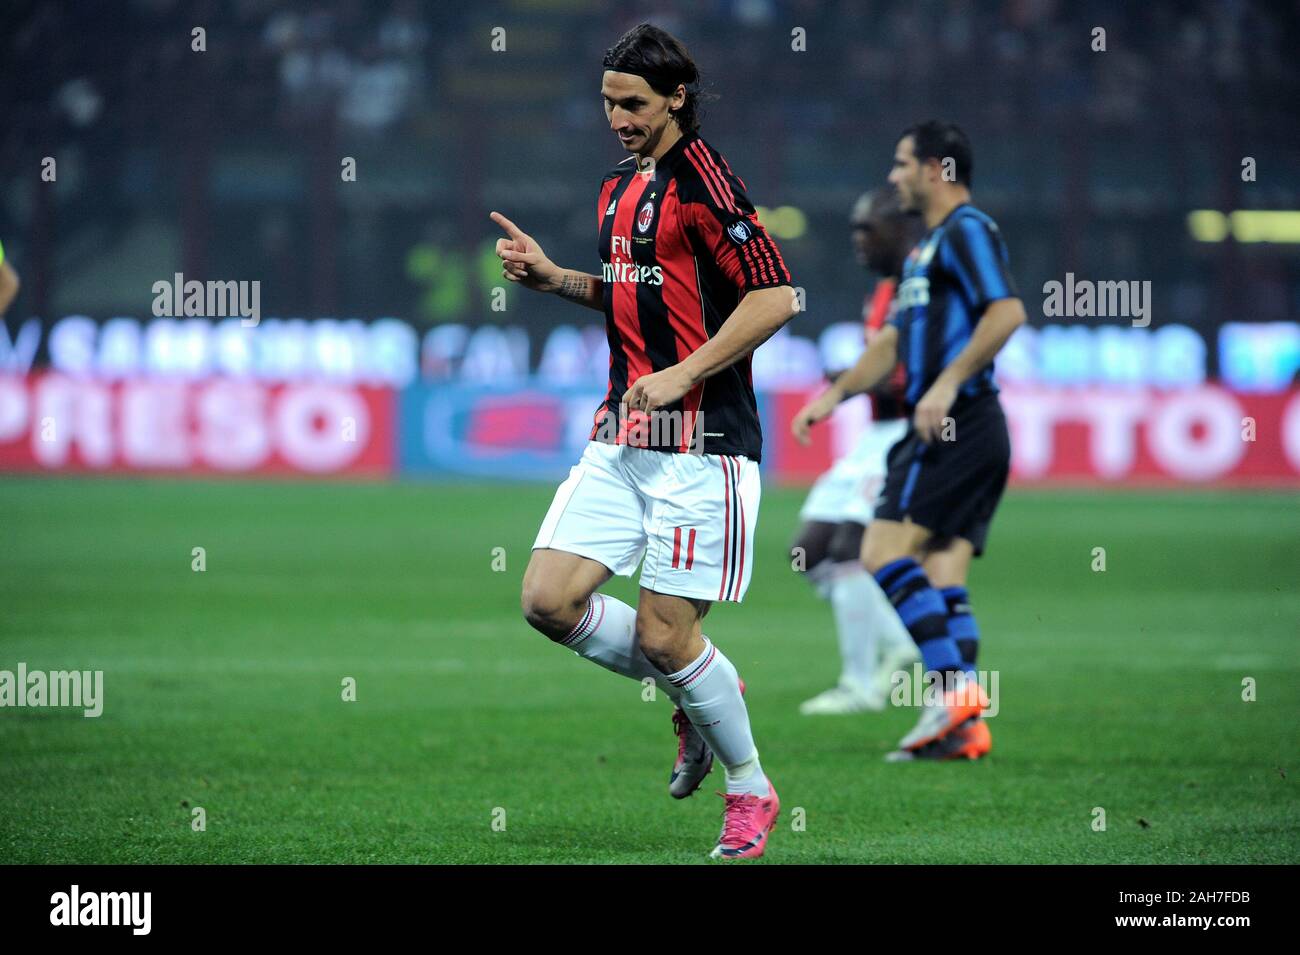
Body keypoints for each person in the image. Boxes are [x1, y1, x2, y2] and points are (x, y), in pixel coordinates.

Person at [493, 23, 798, 857]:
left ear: (677, 98)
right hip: (623, 437)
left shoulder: (708, 183)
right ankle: (703, 689)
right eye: (607, 103)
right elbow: (637, 299)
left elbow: (776, 298)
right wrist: (556, 280)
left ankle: (750, 786)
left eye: (633, 103)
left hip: (707, 444)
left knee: (667, 636)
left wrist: (678, 375)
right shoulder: (618, 187)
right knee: (547, 600)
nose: (619, 118)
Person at [793, 121, 1026, 761]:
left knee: (880, 550)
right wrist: (834, 397)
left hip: (958, 424)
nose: (894, 176)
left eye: (902, 164)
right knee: (942, 572)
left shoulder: (967, 231)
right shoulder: (925, 253)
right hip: (969, 427)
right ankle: (961, 726)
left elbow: (1006, 312)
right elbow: (891, 342)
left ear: (936, 170)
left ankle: (954, 691)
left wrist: (947, 383)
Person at [790, 188, 920, 715]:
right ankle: (901, 642)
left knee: (850, 551)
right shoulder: (884, 289)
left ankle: (860, 685)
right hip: (875, 436)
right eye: (855, 229)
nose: (858, 240)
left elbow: (917, 375)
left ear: (900, 229)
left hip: (909, 432)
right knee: (810, 551)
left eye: (868, 229)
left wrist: (855, 382)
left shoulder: (920, 284)